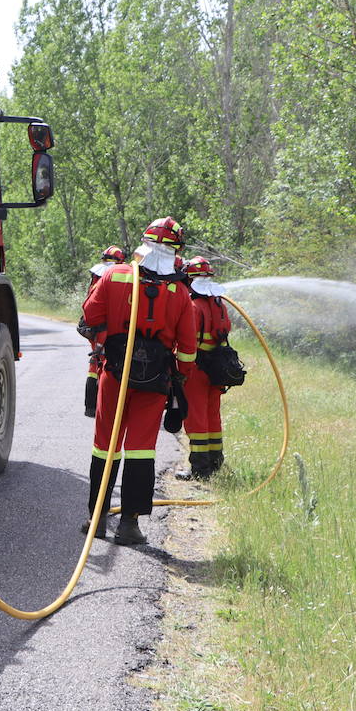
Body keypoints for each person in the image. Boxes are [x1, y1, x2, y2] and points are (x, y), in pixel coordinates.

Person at [77, 218, 197, 545]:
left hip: (114, 375)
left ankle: (97, 518)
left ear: (143, 244)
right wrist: (179, 378)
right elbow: (187, 348)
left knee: (105, 446)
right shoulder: (180, 293)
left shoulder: (114, 276)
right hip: (155, 381)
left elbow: (89, 319)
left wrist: (108, 344)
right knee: (141, 449)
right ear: (175, 252)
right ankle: (129, 525)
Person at [176, 255, 232, 479]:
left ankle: (200, 469)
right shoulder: (220, 305)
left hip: (197, 368)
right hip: (217, 367)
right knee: (212, 414)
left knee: (196, 417)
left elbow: (186, 339)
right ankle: (216, 462)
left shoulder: (193, 306)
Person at [84, 245, 126, 417]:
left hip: (95, 327)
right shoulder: (117, 278)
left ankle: (91, 406)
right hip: (109, 327)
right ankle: (106, 407)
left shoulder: (96, 277)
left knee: (95, 363)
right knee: (107, 364)